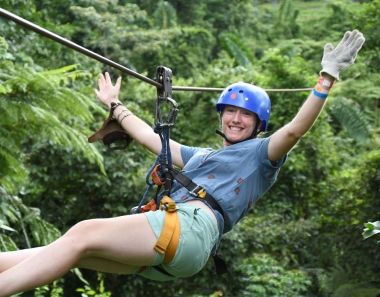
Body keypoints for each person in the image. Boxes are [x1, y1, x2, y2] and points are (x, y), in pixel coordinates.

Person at [0, 29, 365, 296]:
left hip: (189, 229)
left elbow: (296, 130)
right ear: (221, 117)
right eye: (231, 112)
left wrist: (326, 78)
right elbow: (150, 138)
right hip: (175, 251)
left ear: (258, 125)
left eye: (246, 116)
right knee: (65, 252)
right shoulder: (202, 157)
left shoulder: (261, 155)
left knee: (81, 233)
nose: (236, 119)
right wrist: (114, 105)